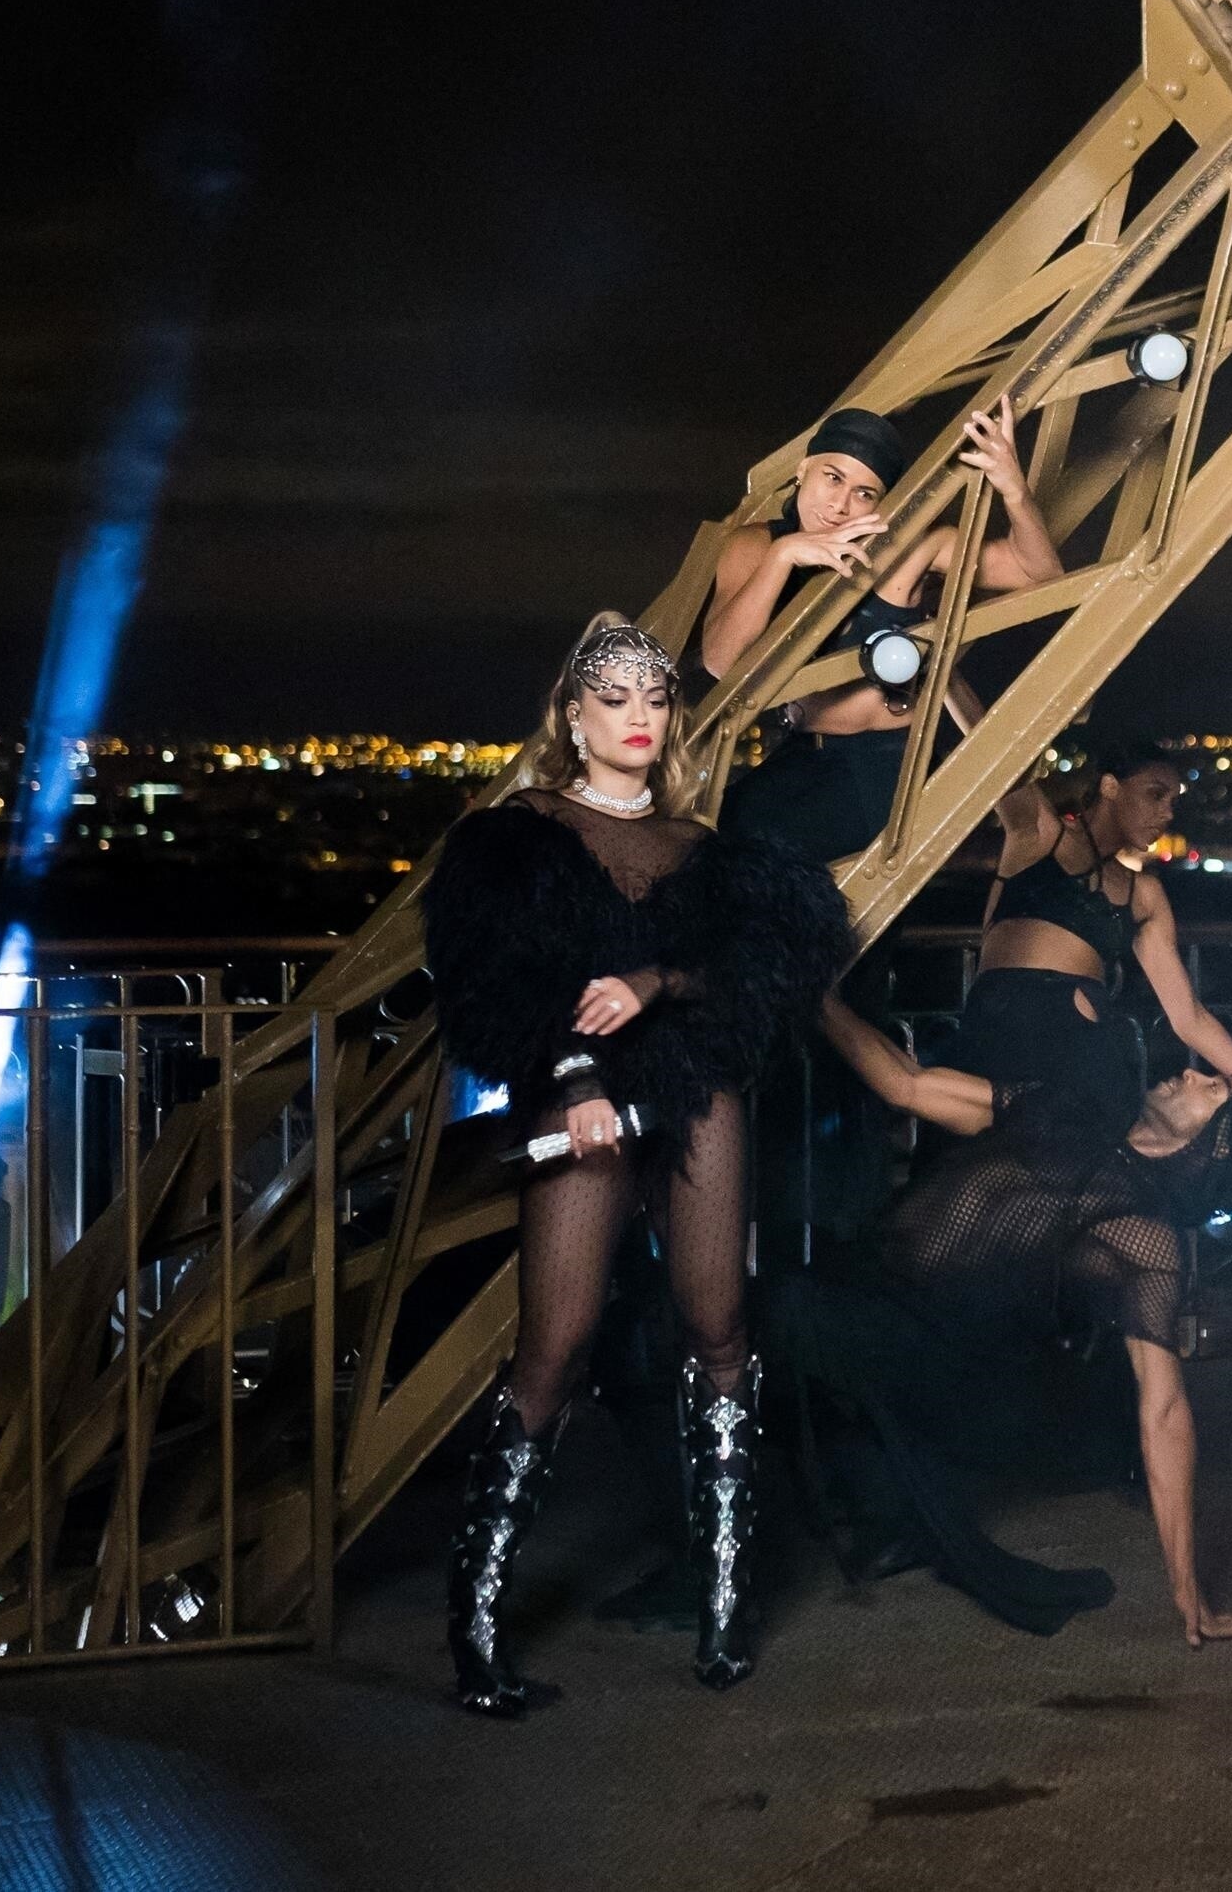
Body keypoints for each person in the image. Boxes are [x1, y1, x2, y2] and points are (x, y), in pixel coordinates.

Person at [420, 613, 849, 1710]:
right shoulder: (519, 834)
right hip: (582, 1093)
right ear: (573, 716)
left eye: (655, 699)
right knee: (556, 1342)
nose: (639, 719)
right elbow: (496, 981)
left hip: (694, 1082)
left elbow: (761, 973)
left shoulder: (701, 848)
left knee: (719, 1326)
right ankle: (474, 1626)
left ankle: (725, 1607)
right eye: (613, 701)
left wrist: (658, 981)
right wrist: (575, 1079)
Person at [774, 1006, 1232, 1647]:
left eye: (1215, 1089)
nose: (1192, 1073)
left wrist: (1188, 1593)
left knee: (762, 1329)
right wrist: (816, 996)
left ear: (1213, 1147)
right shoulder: (1066, 1108)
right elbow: (907, 1085)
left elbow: (1166, 1409)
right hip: (857, 1279)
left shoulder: (1142, 1238)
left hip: (922, 1353)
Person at [701, 400, 1061, 864]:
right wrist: (783, 556)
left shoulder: (911, 547)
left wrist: (1013, 489)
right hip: (805, 754)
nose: (840, 505)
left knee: (729, 857)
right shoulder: (757, 545)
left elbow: (1040, 575)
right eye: (833, 478)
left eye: (864, 493)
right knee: (704, 840)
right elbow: (721, 662)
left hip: (884, 767)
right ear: (804, 469)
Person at [961, 741, 1232, 1143]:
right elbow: (991, 743)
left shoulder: (1144, 893)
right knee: (975, 1168)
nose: (1167, 813)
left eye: (1172, 802)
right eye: (1155, 795)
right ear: (1110, 787)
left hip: (1081, 1065)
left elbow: (1189, 1017)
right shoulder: (1041, 833)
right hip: (999, 1037)